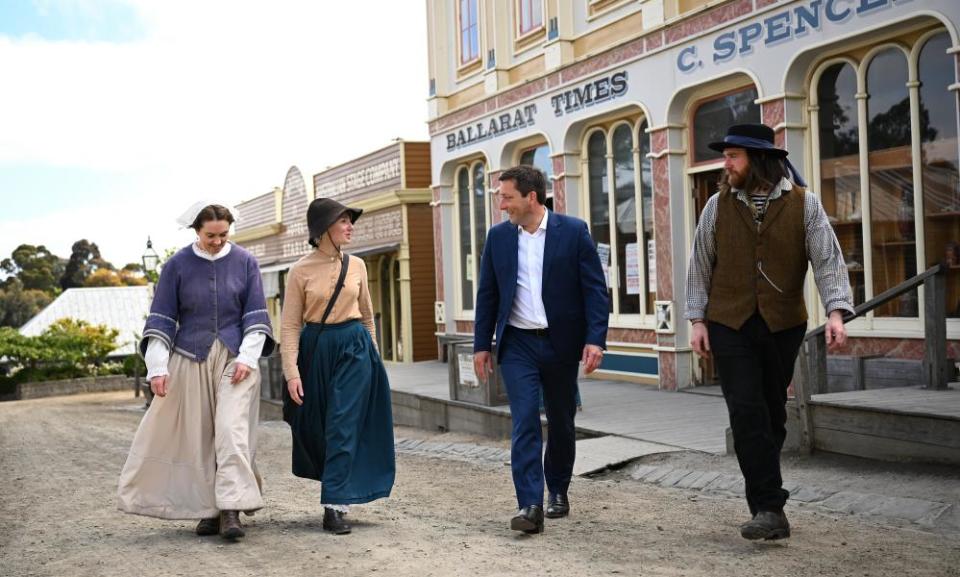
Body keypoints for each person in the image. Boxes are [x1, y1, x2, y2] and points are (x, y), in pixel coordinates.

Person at [685, 123, 854, 541]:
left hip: (783, 323)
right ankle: (769, 505)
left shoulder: (804, 204)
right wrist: (697, 320)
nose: (725, 163)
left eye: (733, 156)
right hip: (729, 322)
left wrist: (835, 312)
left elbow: (828, 260)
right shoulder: (716, 206)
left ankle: (767, 498)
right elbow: (700, 264)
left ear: (758, 160)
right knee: (746, 410)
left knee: (772, 413)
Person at [118, 202, 275, 541]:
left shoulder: (246, 262)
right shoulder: (176, 265)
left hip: (236, 357)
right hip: (190, 357)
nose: (218, 241)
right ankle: (210, 508)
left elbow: (256, 315)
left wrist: (248, 358)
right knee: (201, 435)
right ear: (196, 231)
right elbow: (161, 318)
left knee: (231, 430)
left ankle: (231, 509)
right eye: (210, 235)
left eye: (223, 234)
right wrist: (157, 368)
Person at [473, 165, 608, 534]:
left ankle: (558, 490)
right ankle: (529, 504)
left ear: (531, 197)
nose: (502, 205)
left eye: (506, 197)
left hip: (561, 343)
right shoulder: (499, 238)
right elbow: (487, 294)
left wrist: (595, 338)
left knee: (562, 422)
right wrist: (481, 345)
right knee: (525, 420)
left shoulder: (574, 232)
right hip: (517, 344)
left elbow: (595, 290)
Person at [281, 197, 395, 536]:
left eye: (350, 221)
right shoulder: (299, 270)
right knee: (318, 426)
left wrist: (375, 360)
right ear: (323, 230)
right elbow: (289, 326)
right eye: (343, 221)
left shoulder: (357, 266)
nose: (350, 227)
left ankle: (334, 504)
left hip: (355, 348)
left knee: (343, 422)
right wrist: (292, 372)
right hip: (316, 350)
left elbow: (368, 316)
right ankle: (336, 489)